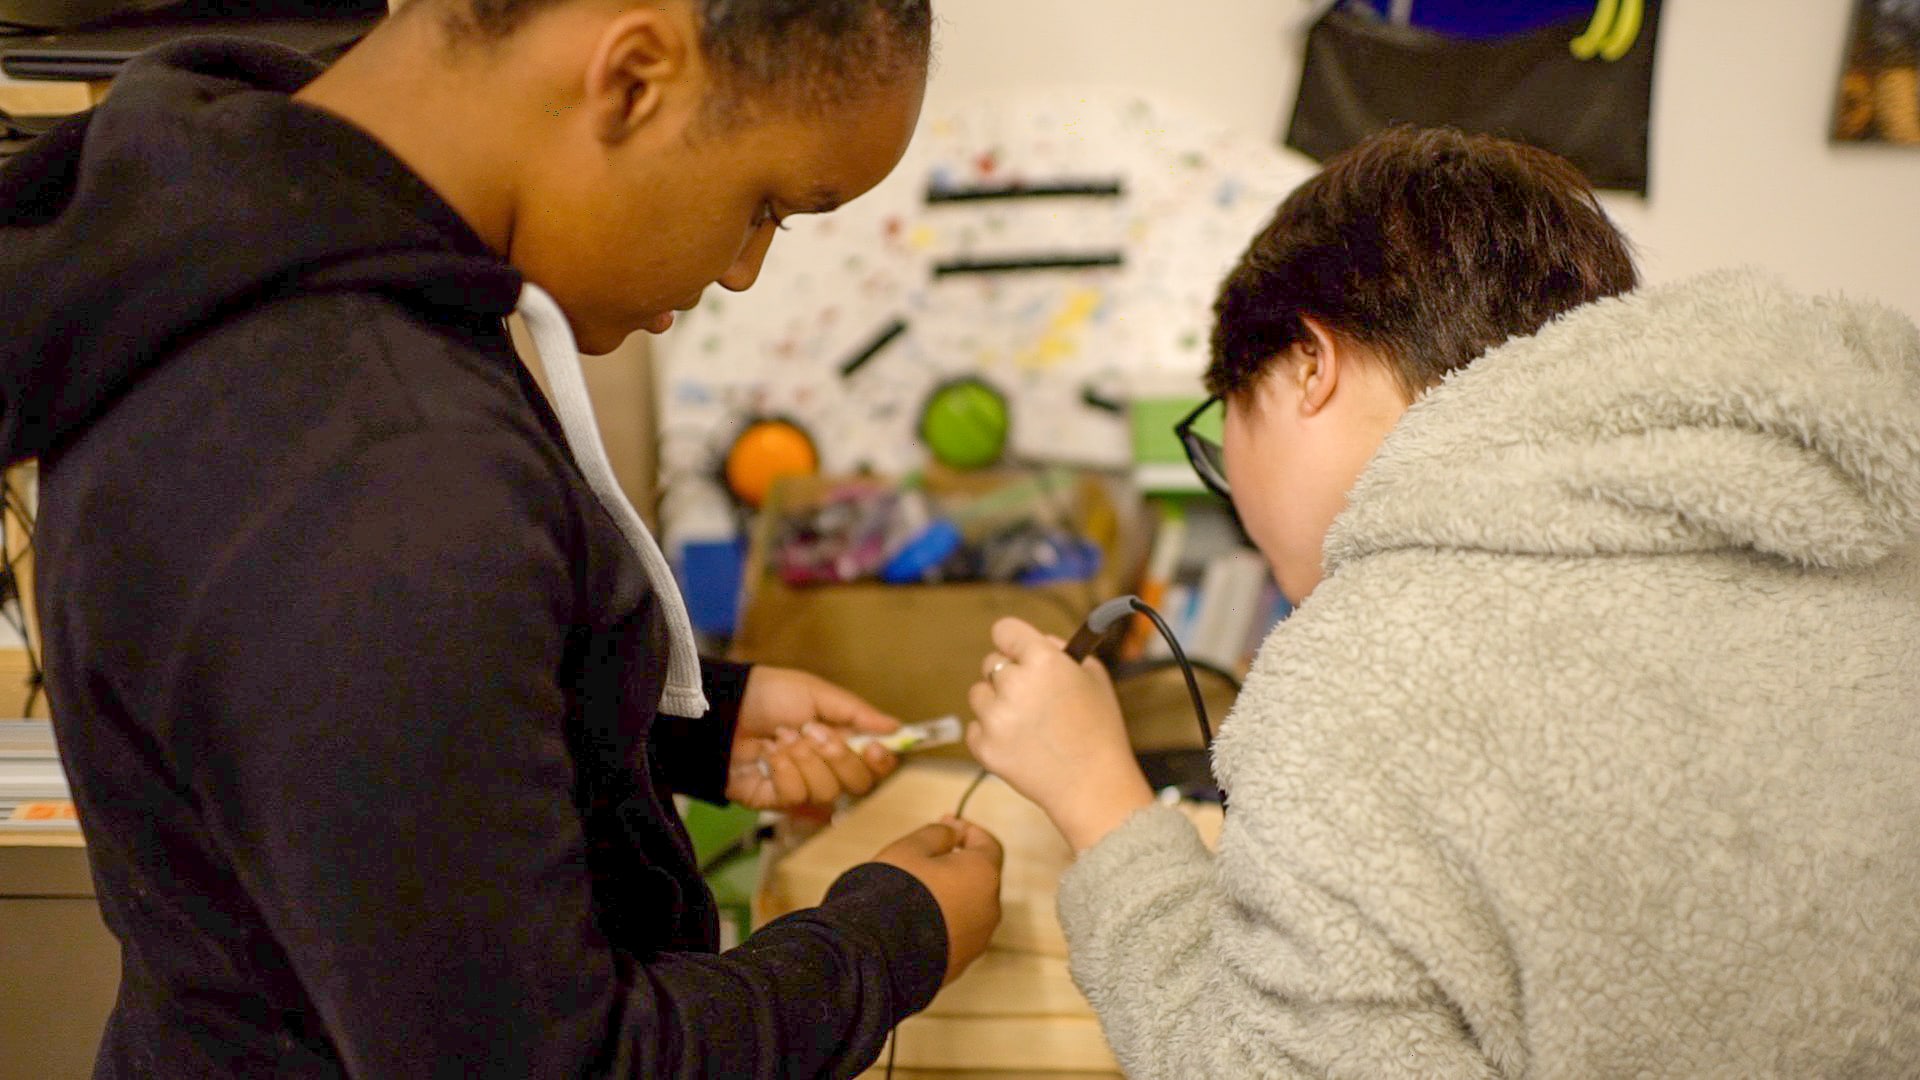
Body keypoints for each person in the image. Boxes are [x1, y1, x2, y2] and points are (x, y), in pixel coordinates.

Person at [0, 0, 1005, 1075]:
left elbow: (350, 744)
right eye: (763, 205)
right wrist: (891, 940)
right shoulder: (372, 459)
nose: (742, 269)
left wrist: (677, 720)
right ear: (630, 80)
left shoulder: (244, 248)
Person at [966, 126, 1920, 1077]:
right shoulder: (1872, 540)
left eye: (1223, 432)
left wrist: (1098, 800)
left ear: (1308, 363)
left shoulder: (1363, 683)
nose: (1238, 492)